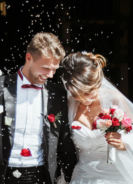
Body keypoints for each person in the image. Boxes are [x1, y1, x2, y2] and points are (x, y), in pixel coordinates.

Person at [61, 52, 133, 184]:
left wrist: (123, 144)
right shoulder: (68, 104)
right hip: (83, 176)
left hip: (116, 176)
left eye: (87, 92)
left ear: (97, 83)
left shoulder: (114, 99)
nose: (83, 98)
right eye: (76, 94)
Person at [0, 32, 77, 184]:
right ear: (29, 58)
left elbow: (64, 142)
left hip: (42, 175)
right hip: (4, 173)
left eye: (54, 69)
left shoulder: (57, 94)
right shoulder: (2, 88)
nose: (50, 75)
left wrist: (71, 178)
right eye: (46, 68)